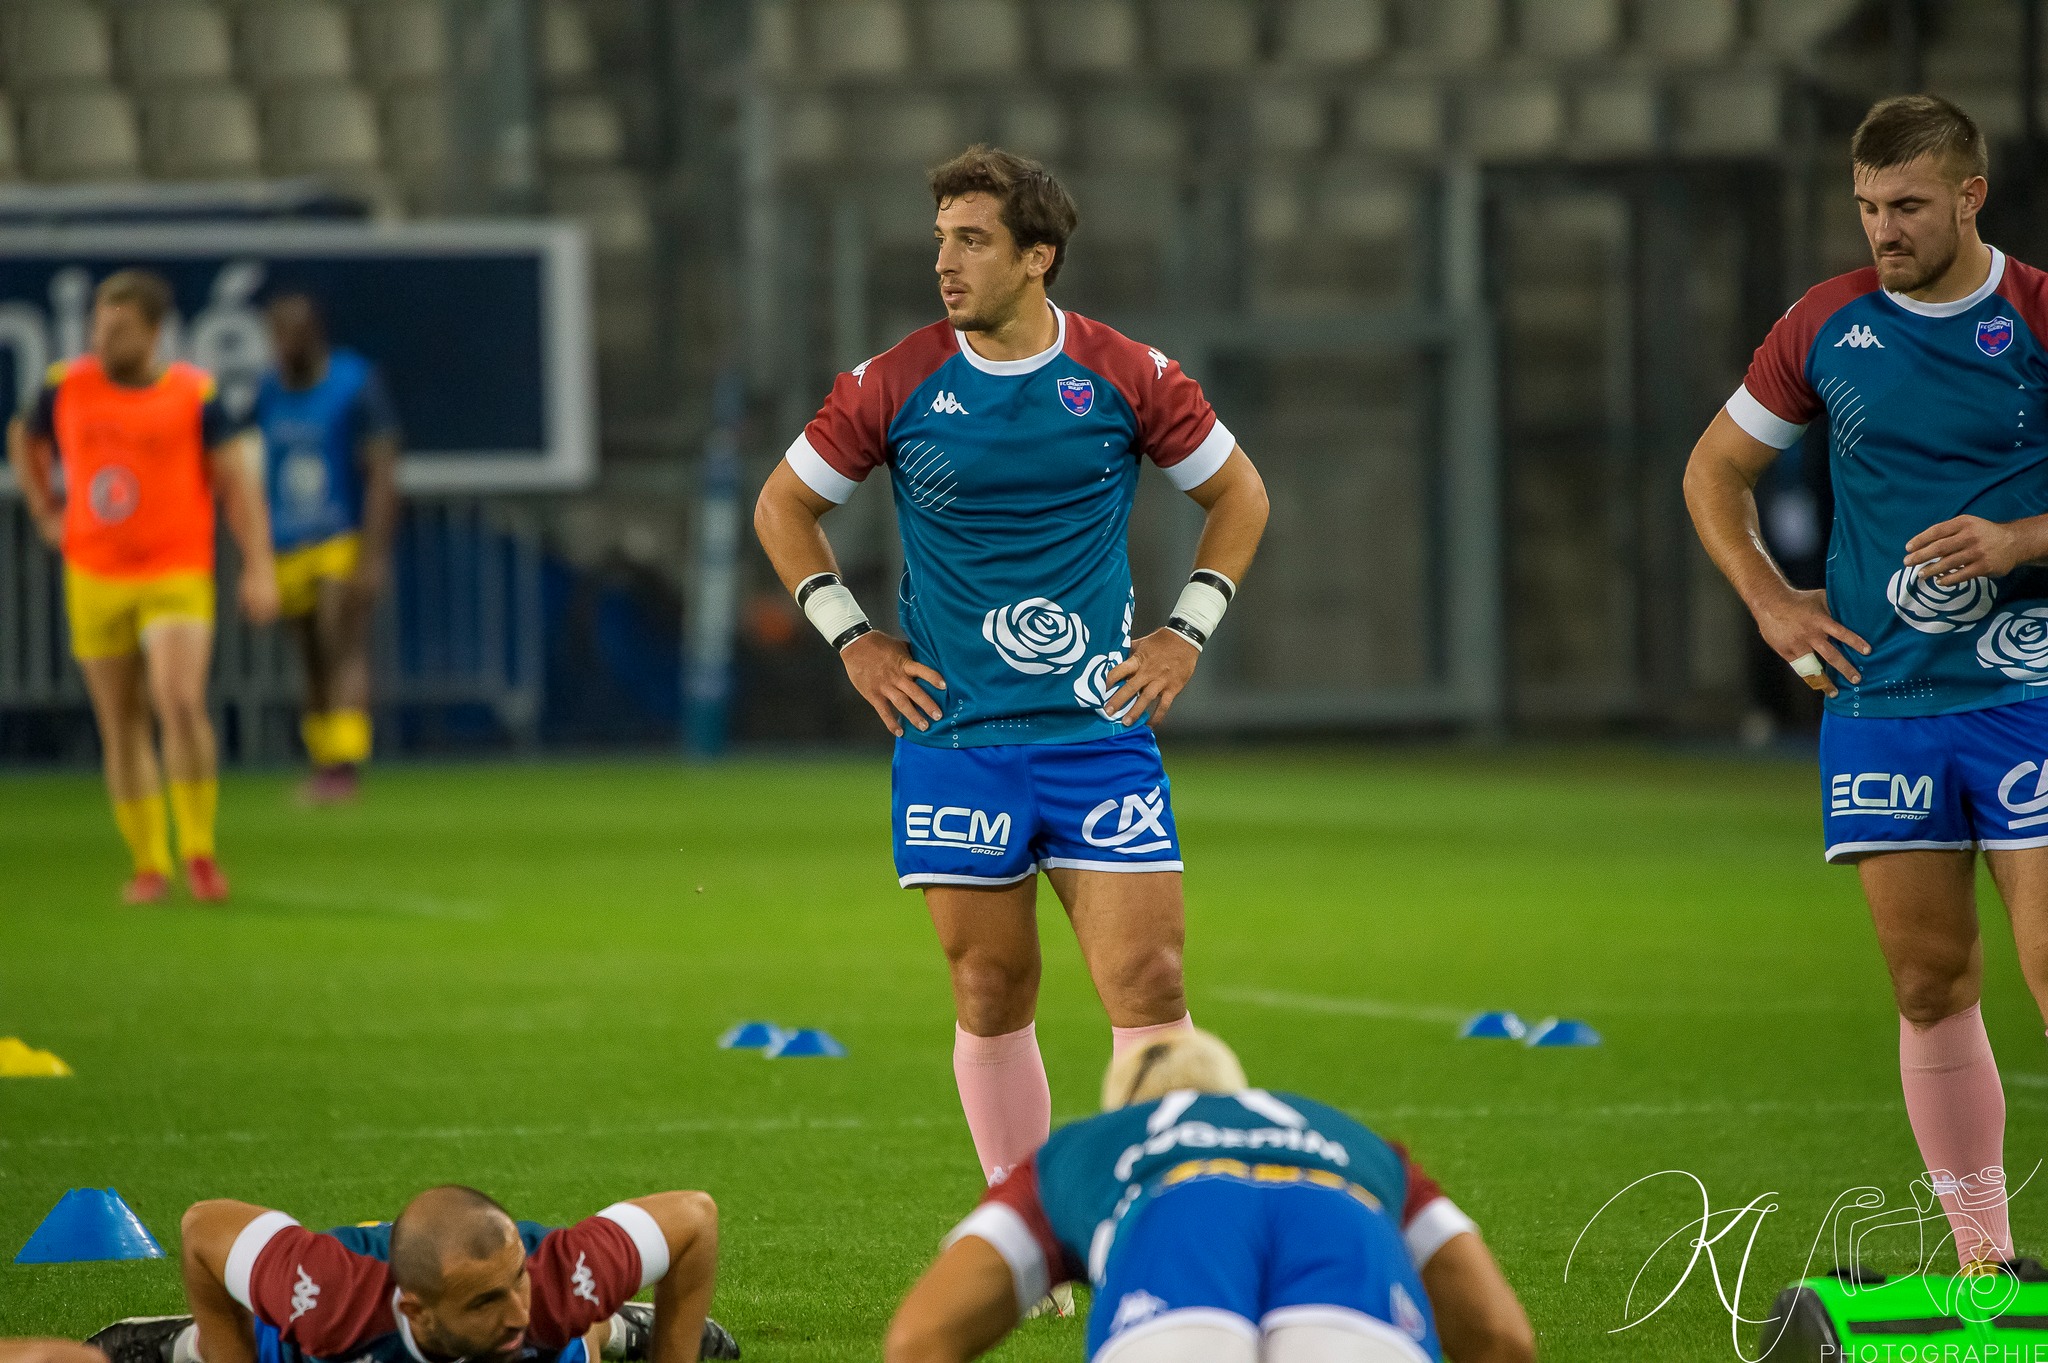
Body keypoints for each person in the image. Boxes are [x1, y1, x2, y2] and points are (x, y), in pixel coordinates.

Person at [753, 146, 1271, 1218]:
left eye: (972, 239)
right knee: (990, 989)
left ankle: (1164, 1209)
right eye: (939, 237)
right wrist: (852, 639)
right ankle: (1023, 1219)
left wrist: (1186, 630)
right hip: (956, 739)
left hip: (1097, 734)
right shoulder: (891, 382)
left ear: (1038, 257)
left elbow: (1240, 495)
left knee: (1150, 983)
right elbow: (780, 509)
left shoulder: (1129, 374)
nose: (944, 261)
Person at [1685, 94, 2048, 1269]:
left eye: (1903, 207)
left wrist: (2016, 540)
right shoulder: (1823, 324)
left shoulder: (2037, 315)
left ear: (1967, 196)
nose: (1880, 230)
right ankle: (1986, 1272)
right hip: (1883, 706)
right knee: (1926, 980)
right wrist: (1768, 598)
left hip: (2027, 692)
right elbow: (1714, 469)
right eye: (1864, 207)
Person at [884, 1029, 1534, 1363]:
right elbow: (1502, 1337)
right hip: (1351, 1260)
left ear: (1129, 1109)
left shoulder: (1084, 1151)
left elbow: (921, 1337)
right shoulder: (1361, 1145)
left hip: (1174, 1258)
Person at [6, 269, 278, 904]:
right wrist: (45, 508)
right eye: (99, 324)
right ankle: (149, 861)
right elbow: (24, 438)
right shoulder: (64, 388)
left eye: (121, 328)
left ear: (155, 334)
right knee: (120, 722)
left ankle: (201, 850)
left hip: (175, 569)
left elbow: (237, 483)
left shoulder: (194, 395)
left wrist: (259, 566)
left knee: (177, 699)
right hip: (95, 572)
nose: (104, 337)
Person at [85, 1185, 739, 1363]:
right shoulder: (325, 1298)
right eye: (487, 1299)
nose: (516, 1308)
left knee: (568, 1327)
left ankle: (614, 1329)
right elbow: (204, 1225)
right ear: (418, 1312)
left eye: (516, 1282)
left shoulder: (552, 1283)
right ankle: (181, 1344)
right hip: (331, 1327)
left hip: (541, 1324)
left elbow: (694, 1216)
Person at [253, 291, 401, 804]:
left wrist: (374, 553)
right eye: (274, 337)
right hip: (288, 538)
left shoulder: (354, 383)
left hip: (340, 534)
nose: (279, 347)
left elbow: (383, 470)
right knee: (310, 654)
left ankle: (345, 762)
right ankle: (323, 760)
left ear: (313, 335)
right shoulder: (269, 391)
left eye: (288, 336)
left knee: (342, 639)